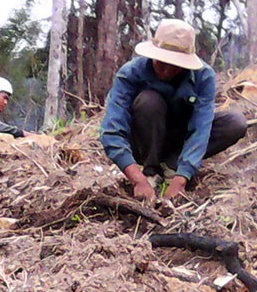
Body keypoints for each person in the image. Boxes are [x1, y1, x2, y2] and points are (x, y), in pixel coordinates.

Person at [100, 18, 247, 201]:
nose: (167, 70)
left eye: (175, 65)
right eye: (161, 62)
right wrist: (137, 179)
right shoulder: (130, 73)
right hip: (142, 141)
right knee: (149, 101)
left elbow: (200, 129)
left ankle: (172, 165)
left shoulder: (204, 77)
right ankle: (151, 170)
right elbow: (111, 131)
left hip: (179, 140)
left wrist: (182, 177)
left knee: (235, 123)